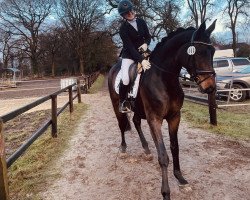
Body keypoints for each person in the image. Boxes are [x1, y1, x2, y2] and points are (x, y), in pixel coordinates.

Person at [118, 0, 151, 113]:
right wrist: (141, 60)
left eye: (130, 10)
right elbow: (131, 48)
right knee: (126, 79)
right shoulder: (123, 29)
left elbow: (148, 36)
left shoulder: (141, 21)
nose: (130, 13)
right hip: (129, 55)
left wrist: (146, 43)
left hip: (143, 51)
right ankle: (122, 101)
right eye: (126, 13)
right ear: (123, 15)